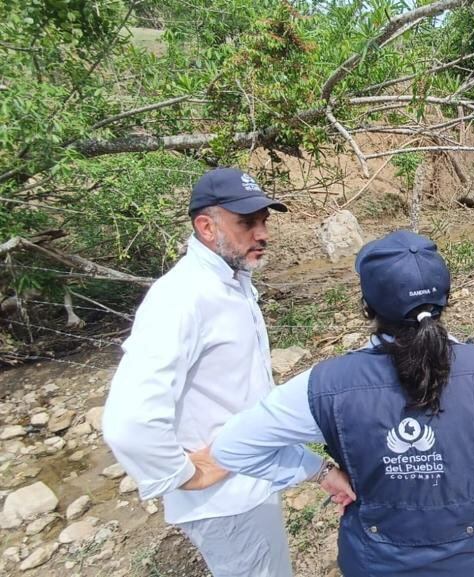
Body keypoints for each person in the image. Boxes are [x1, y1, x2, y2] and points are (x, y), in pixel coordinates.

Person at [212, 230, 474, 577]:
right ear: (445, 300)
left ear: (367, 308)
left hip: (378, 564)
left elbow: (231, 447)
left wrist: (321, 472)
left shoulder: (326, 384)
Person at [102, 167, 350, 577]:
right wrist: (182, 474)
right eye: (247, 223)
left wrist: (319, 471)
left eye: (264, 221)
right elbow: (128, 421)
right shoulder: (182, 297)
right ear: (206, 227)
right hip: (226, 502)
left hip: (248, 486)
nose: (262, 233)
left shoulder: (232, 283)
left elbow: (247, 406)